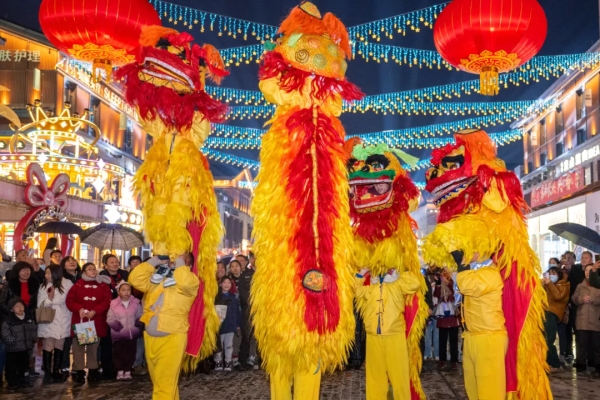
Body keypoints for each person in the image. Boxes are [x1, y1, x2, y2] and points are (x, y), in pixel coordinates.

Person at [128, 255, 199, 399]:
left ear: (188, 265)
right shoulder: (158, 278)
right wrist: (154, 260)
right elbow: (135, 280)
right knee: (161, 384)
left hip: (172, 338)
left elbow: (184, 282)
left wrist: (180, 261)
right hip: (150, 337)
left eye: (178, 258)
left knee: (164, 386)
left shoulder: (191, 281)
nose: (173, 260)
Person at [355, 268, 421, 400]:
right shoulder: (371, 289)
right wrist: (362, 273)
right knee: (375, 378)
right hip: (373, 336)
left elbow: (415, 283)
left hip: (395, 335)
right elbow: (356, 290)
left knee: (399, 377)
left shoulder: (398, 285)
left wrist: (399, 270)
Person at [456, 254, 507, 400]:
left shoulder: (490, 272)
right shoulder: (475, 271)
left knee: (489, 392)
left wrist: (462, 266)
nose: (466, 253)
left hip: (488, 338)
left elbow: (468, 286)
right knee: (472, 389)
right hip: (472, 336)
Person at [65, 262, 112, 384]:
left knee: (93, 347)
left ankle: (93, 370)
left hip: (96, 320)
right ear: (84, 272)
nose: (93, 271)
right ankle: (78, 370)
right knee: (78, 347)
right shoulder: (77, 285)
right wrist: (79, 308)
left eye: (94, 269)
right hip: (81, 320)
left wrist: (95, 311)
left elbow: (107, 301)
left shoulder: (103, 285)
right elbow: (70, 301)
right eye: (89, 269)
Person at [37, 264, 73, 384]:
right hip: (49, 317)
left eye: (49, 273)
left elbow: (72, 298)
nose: (46, 275)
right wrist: (49, 299)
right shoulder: (44, 286)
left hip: (64, 317)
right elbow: (40, 304)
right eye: (46, 273)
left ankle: (56, 370)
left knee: (60, 343)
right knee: (48, 344)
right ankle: (47, 372)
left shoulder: (67, 283)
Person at [99, 254, 128, 379]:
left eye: (116, 262)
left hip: (124, 312)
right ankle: (107, 367)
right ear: (105, 264)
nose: (115, 264)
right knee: (106, 341)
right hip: (107, 312)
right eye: (112, 262)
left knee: (122, 341)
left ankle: (121, 367)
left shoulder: (125, 274)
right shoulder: (101, 276)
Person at [107, 281, 143, 380]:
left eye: (128, 290)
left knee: (131, 352)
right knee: (118, 353)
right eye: (123, 290)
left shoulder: (136, 303)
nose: (126, 292)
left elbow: (140, 315)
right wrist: (118, 328)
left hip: (132, 334)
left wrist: (137, 325)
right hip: (119, 335)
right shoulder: (114, 304)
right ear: (119, 292)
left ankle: (128, 370)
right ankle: (120, 370)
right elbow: (110, 318)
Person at [1, 297, 38, 391]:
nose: (20, 307)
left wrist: (33, 338)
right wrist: (12, 341)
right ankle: (12, 382)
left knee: (24, 365)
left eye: (21, 305)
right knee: (12, 367)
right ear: (11, 309)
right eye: (16, 306)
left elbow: (33, 330)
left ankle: (23, 380)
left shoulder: (28, 319)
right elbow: (5, 334)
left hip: (25, 348)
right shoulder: (9, 322)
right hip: (13, 349)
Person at [571, 264, 600, 373]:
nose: (587, 272)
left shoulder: (598, 285)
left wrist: (592, 299)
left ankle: (597, 364)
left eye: (590, 270)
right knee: (581, 343)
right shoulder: (580, 285)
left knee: (597, 344)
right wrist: (580, 299)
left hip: (595, 319)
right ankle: (580, 363)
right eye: (586, 270)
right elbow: (573, 298)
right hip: (582, 318)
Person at [542, 266, 570, 371]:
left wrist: (549, 283)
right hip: (543, 312)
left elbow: (558, 296)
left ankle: (554, 363)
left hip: (553, 313)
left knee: (548, 339)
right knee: (542, 339)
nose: (551, 275)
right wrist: (543, 284)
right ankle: (546, 362)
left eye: (554, 273)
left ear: (559, 275)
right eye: (549, 273)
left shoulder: (564, 285)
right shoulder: (546, 284)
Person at [561, 251, 585, 363]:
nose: (567, 260)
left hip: (576, 304)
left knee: (577, 329)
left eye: (569, 258)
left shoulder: (578, 269)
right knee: (566, 330)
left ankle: (580, 356)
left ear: (574, 260)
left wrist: (571, 270)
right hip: (565, 305)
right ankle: (568, 352)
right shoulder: (561, 271)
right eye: (565, 258)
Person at [434, 268, 460, 371]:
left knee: (453, 341)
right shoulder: (439, 285)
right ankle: (442, 360)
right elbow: (436, 294)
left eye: (445, 275)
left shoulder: (453, 284)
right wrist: (438, 284)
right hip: (442, 316)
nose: (443, 277)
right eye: (442, 276)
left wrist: (448, 283)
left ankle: (454, 361)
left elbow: (454, 294)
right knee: (442, 340)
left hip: (452, 316)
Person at [59, 256, 80, 377]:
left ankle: (78, 366)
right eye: (68, 261)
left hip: (81, 314)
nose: (72, 262)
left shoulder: (82, 277)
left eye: (74, 260)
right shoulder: (61, 279)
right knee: (66, 341)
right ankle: (64, 365)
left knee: (80, 341)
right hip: (66, 313)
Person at [213, 276, 240, 372]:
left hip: (231, 324)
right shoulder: (217, 297)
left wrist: (237, 324)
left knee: (229, 344)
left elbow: (237, 311)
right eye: (224, 282)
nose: (226, 285)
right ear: (220, 284)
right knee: (219, 344)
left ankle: (228, 361)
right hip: (220, 326)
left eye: (229, 283)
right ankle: (218, 361)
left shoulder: (234, 297)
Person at [236, 256, 257, 370]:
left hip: (262, 309)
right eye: (254, 258)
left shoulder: (265, 274)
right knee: (246, 335)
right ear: (251, 260)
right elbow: (242, 291)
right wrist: (252, 302)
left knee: (259, 337)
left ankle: (259, 360)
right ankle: (243, 361)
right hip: (248, 308)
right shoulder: (245, 275)